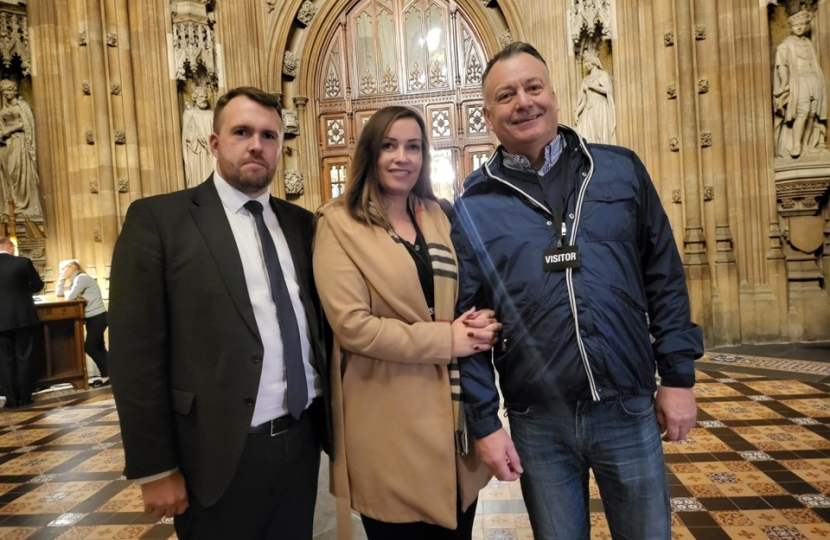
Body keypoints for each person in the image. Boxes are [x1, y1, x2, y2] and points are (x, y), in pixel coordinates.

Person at [451, 42, 704, 540]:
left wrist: (678, 375)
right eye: (506, 95)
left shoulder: (619, 169)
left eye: (533, 87)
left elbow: (664, 276)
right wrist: (484, 421)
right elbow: (470, 324)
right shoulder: (474, 204)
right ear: (488, 115)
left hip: (627, 407)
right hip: (536, 421)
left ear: (555, 95)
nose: (523, 102)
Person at [108, 86, 331, 540]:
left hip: (301, 443)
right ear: (214, 143)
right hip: (214, 453)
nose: (256, 145)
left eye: (269, 136)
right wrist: (156, 467)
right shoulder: (159, 221)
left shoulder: (301, 224)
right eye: (242, 132)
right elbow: (135, 354)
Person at [313, 106, 497, 540]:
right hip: (388, 420)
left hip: (452, 423)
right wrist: (446, 339)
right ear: (369, 154)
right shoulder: (337, 223)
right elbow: (353, 326)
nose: (402, 157)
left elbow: (455, 297)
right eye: (389, 146)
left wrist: (480, 321)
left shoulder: (436, 213)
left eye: (413, 146)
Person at [772, 9, 827, 158]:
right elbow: (781, 65)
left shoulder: (808, 43)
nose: (799, 27)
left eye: (802, 24)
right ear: (791, 27)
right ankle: (796, 145)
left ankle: (807, 145)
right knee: (802, 112)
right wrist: (784, 83)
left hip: (813, 80)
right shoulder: (786, 44)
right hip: (799, 80)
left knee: (812, 112)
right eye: (796, 25)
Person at [0, 236, 43, 408]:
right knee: (24, 357)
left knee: (3, 360)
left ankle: (11, 400)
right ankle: (25, 397)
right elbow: (37, 285)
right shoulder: (23, 262)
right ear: (9, 246)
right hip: (23, 317)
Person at [55, 259, 109, 387]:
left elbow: (70, 297)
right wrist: (61, 279)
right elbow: (59, 293)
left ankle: (107, 375)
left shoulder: (81, 278)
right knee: (99, 347)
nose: (61, 272)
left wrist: (67, 287)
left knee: (90, 347)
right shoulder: (75, 280)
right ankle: (108, 375)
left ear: (72, 267)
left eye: (63, 269)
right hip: (93, 318)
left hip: (98, 317)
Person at [0, 79, 42, 218]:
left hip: (19, 143)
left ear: (15, 90)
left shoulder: (22, 106)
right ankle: (12, 204)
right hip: (6, 145)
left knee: (17, 171)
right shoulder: (4, 109)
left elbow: (27, 124)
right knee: (8, 173)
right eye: (4, 91)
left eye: (9, 90)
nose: (7, 93)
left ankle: (22, 205)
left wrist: (10, 129)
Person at [574, 51, 616, 145]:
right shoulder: (585, 79)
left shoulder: (603, 74)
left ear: (593, 61)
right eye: (585, 62)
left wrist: (593, 86)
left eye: (587, 62)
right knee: (587, 136)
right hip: (588, 110)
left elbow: (608, 91)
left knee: (600, 134)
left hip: (600, 107)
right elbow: (583, 100)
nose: (586, 65)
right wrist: (576, 113)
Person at [182, 86, 215, 188]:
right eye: (201, 97)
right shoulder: (189, 113)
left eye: (205, 97)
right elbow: (185, 132)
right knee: (198, 174)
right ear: (195, 98)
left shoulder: (210, 114)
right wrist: (196, 136)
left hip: (209, 148)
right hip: (197, 150)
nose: (204, 99)